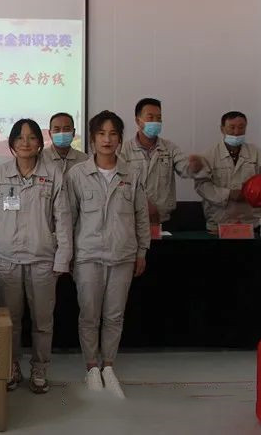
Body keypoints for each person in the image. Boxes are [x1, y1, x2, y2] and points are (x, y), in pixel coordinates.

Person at [0, 119, 71, 394]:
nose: (25, 142)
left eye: (32, 137)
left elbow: (63, 219)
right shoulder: (0, 174)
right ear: (11, 143)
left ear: (40, 143)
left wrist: (62, 258)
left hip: (42, 260)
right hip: (6, 259)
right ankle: (11, 366)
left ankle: (40, 367)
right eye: (20, 138)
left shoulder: (53, 175)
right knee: (10, 321)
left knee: (42, 321)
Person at [65, 110, 150, 398]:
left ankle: (109, 366)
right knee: (89, 315)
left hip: (122, 256)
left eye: (113, 134)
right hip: (87, 256)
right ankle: (91, 367)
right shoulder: (77, 175)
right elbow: (68, 219)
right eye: (101, 133)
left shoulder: (131, 174)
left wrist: (142, 251)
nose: (107, 139)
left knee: (114, 315)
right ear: (92, 139)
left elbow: (141, 216)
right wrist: (69, 255)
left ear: (120, 139)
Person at [119, 98, 204, 225]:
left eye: (159, 118)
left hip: (163, 220)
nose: (156, 122)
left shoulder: (170, 148)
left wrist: (193, 167)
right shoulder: (124, 150)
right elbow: (120, 184)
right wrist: (145, 204)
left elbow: (184, 168)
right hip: (132, 220)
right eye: (150, 117)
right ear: (138, 121)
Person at [195, 111, 261, 233]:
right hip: (218, 223)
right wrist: (228, 194)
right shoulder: (209, 155)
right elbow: (201, 186)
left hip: (249, 223)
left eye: (241, 127)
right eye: (232, 127)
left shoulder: (256, 153)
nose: (236, 132)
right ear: (222, 129)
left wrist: (254, 192)